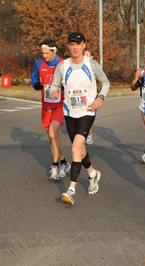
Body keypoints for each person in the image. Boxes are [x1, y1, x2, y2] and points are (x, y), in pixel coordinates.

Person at [50, 32, 110, 205]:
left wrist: (100, 98)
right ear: (68, 46)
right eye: (71, 44)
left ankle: (71, 190)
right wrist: (55, 90)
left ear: (84, 45)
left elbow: (105, 82)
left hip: (87, 112)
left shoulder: (91, 65)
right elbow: (56, 84)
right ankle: (92, 174)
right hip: (70, 113)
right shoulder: (63, 66)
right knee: (80, 150)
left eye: (78, 44)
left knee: (75, 148)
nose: (75, 47)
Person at [31, 39, 71, 180]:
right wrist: (36, 84)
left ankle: (55, 166)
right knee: (52, 138)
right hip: (46, 105)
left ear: (54, 51)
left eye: (47, 53)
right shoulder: (38, 63)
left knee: (53, 134)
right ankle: (64, 163)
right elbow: (34, 77)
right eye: (43, 53)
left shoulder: (63, 63)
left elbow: (70, 80)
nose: (44, 56)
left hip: (60, 105)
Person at [84, 50, 95, 145]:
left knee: (88, 116)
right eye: (84, 55)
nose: (85, 56)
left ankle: (89, 135)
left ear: (92, 57)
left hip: (90, 97)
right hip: (80, 96)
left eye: (87, 55)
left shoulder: (93, 67)